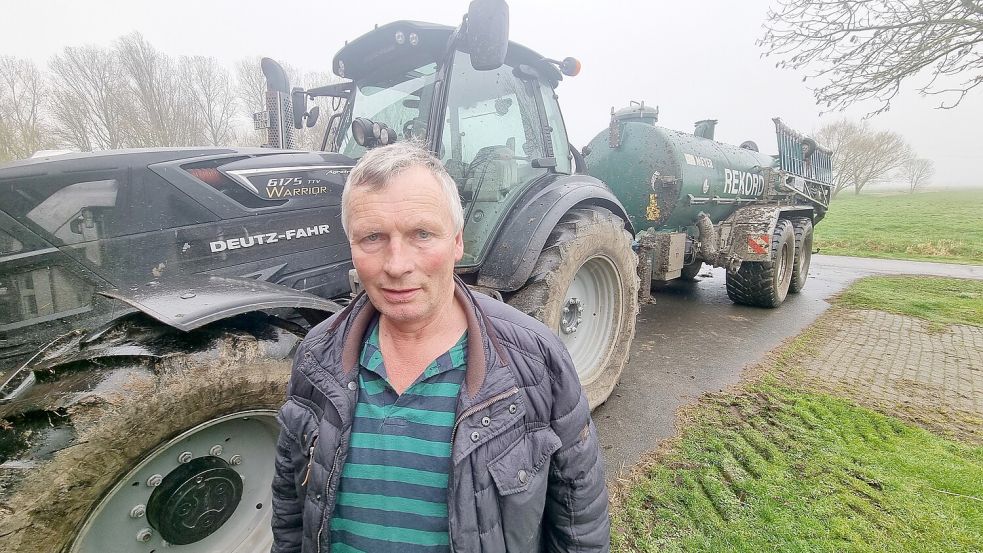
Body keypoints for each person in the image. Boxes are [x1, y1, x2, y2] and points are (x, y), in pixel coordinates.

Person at [271, 141, 610, 553]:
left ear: (456, 241)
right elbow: (290, 511)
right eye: (372, 238)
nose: (397, 265)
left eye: (422, 234)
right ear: (351, 246)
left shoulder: (537, 363)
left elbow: (580, 525)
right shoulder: (315, 358)